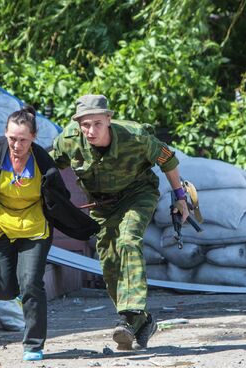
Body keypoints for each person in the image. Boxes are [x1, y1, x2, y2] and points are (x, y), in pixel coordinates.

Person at [0, 106, 99, 361]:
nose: (16, 145)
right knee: (3, 290)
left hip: (34, 229)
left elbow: (59, 195)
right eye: (12, 139)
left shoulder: (42, 161)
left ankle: (33, 345)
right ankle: (17, 293)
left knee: (32, 284)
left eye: (23, 140)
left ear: (34, 138)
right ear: (5, 134)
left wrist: (67, 214)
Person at [51, 94, 190, 351]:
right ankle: (142, 321)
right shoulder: (69, 140)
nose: (90, 131)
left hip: (137, 194)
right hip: (101, 205)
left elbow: (167, 158)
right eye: (85, 124)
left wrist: (180, 196)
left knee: (127, 240)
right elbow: (48, 164)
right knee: (109, 262)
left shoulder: (134, 136)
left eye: (97, 124)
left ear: (108, 119)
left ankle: (129, 314)